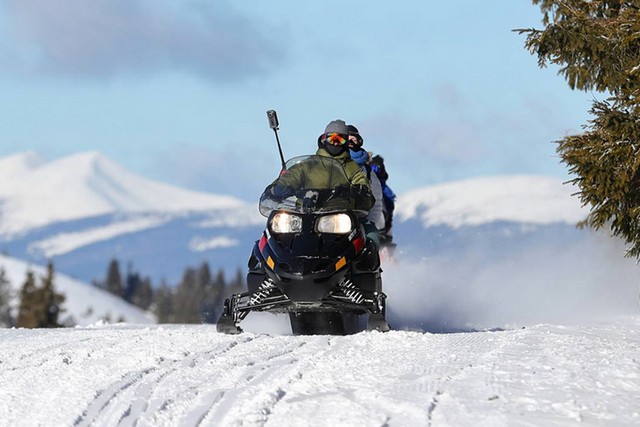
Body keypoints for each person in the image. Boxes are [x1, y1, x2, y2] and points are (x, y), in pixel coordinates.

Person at [262, 119, 377, 251]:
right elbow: (291, 176)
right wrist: (279, 188)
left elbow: (363, 186)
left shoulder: (353, 169)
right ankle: (260, 268)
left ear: (346, 143)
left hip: (336, 220)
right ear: (323, 140)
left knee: (367, 241)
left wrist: (358, 193)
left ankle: (366, 269)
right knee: (270, 237)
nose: (335, 143)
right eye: (331, 138)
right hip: (302, 216)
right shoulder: (308, 165)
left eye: (340, 140)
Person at [347, 124, 384, 249]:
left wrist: (371, 221)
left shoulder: (367, 171)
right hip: (331, 216)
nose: (350, 143)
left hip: (359, 218)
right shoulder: (329, 166)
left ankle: (369, 265)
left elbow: (377, 200)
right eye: (347, 139)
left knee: (371, 238)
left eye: (353, 139)